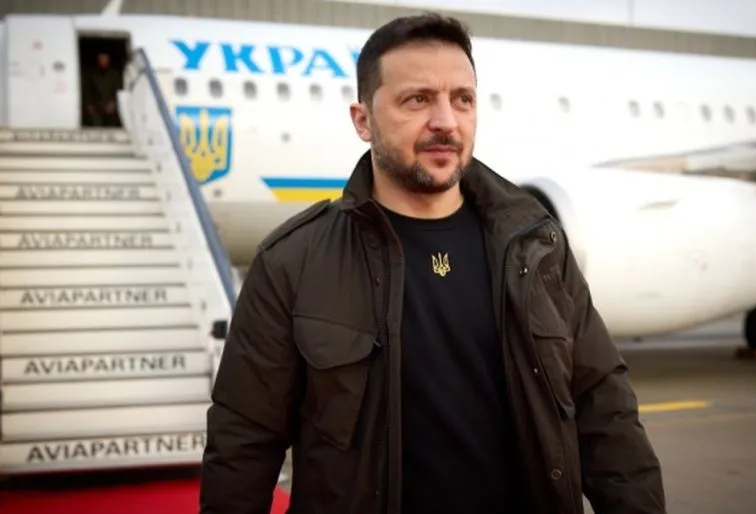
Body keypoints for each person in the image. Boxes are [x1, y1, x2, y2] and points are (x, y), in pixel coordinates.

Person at [200, 12, 665, 514]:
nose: (446, 121)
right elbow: (243, 445)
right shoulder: (293, 262)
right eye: (417, 99)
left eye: (462, 99)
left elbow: (605, 410)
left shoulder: (536, 247)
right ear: (363, 120)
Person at [82, 51, 121, 127]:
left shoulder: (115, 75)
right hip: (96, 107)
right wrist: (89, 104)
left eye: (105, 58)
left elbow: (119, 90)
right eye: (101, 59)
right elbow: (86, 90)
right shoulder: (92, 74)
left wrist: (114, 102)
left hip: (111, 108)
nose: (103, 61)